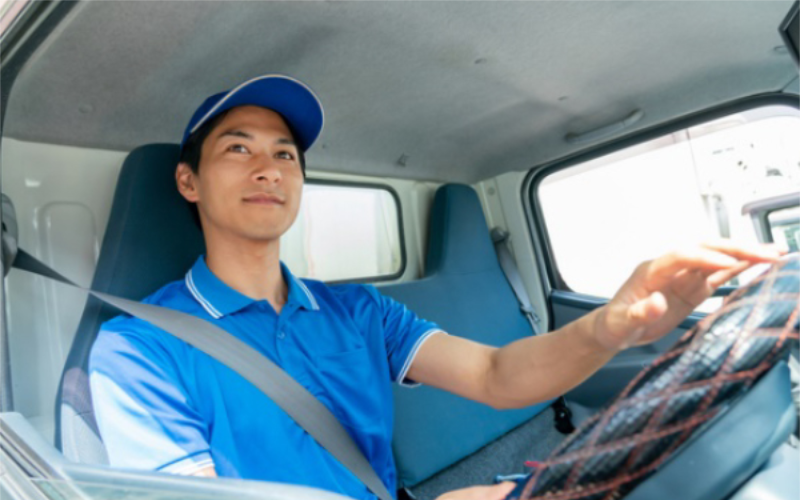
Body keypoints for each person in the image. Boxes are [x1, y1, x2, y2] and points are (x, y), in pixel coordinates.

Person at [88, 75, 786, 500]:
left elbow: (494, 373)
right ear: (188, 181)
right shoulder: (137, 350)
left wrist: (610, 326)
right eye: (237, 147)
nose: (267, 169)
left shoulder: (356, 310)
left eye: (286, 154)